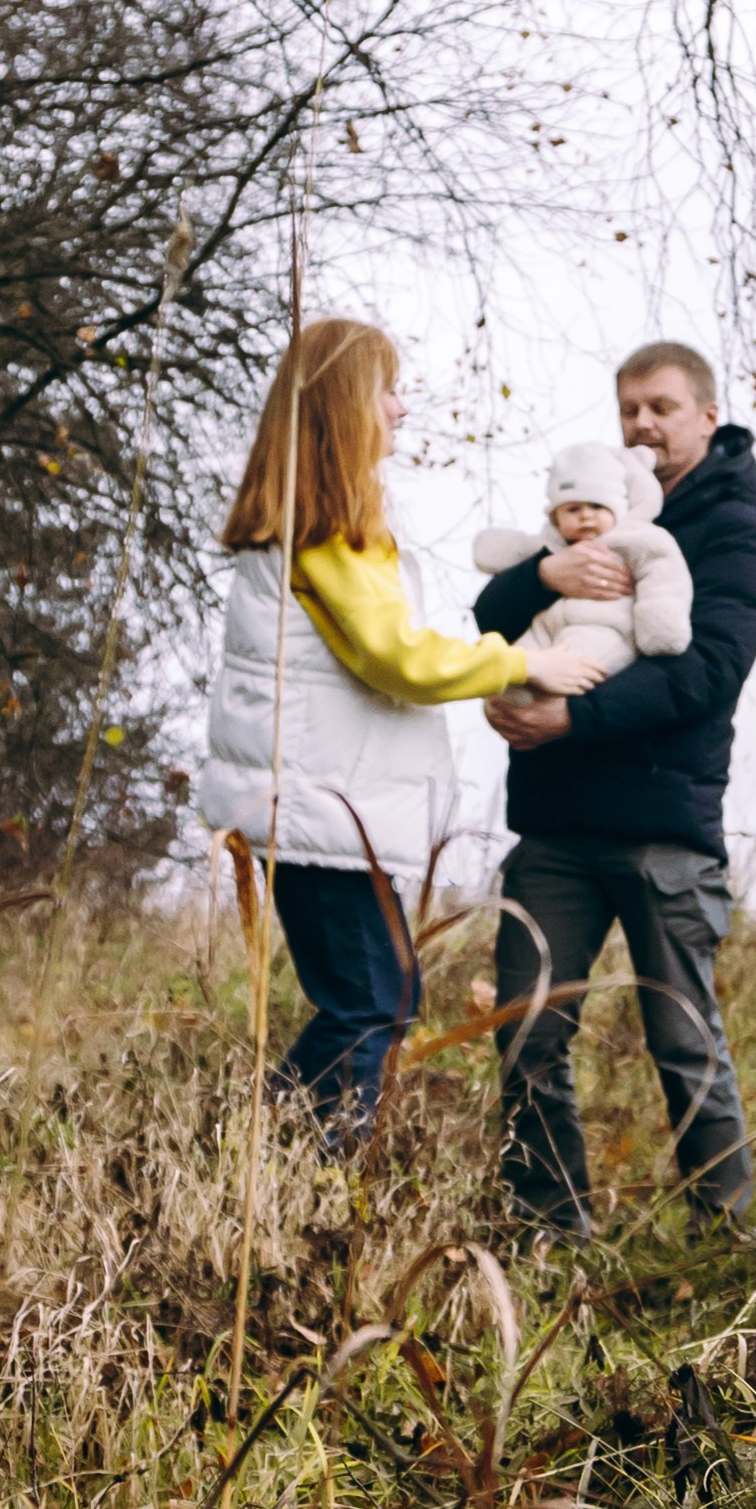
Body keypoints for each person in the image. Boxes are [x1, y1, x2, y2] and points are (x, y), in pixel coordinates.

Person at [199, 317, 607, 1134]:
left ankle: (263, 1156)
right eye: (388, 389)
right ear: (348, 404)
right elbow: (400, 659)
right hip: (321, 809)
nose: (401, 407)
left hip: (316, 806)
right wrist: (525, 664)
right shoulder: (324, 530)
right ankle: (288, 1167)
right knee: (371, 1005)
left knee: (377, 999)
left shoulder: (311, 523)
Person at [473, 340, 756, 1234]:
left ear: (705, 418)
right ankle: (548, 1226)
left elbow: (709, 669)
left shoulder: (730, 528)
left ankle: (724, 1242)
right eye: (628, 410)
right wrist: (541, 576)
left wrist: (571, 718)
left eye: (661, 407)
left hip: (663, 830)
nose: (641, 424)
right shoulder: (576, 514)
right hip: (554, 826)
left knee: (683, 1040)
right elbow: (491, 615)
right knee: (525, 1032)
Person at [470, 438, 693, 681]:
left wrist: (660, 620)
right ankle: (512, 690)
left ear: (617, 508)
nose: (586, 516)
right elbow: (519, 549)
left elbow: (662, 573)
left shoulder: (635, 539)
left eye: (597, 506)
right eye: (573, 509)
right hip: (548, 625)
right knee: (513, 665)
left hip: (605, 626)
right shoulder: (552, 546)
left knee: (573, 662)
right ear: (556, 518)